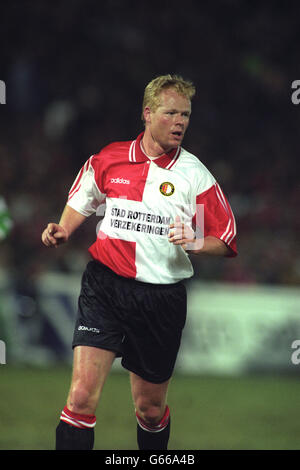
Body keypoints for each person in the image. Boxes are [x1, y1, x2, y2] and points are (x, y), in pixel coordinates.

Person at [41, 74, 237, 450]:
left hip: (160, 299)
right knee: (81, 397)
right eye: (171, 113)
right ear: (147, 114)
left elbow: (226, 239)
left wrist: (197, 242)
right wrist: (64, 229)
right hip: (105, 287)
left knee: (149, 409)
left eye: (185, 115)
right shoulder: (110, 158)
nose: (180, 122)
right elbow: (83, 198)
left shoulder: (194, 174)